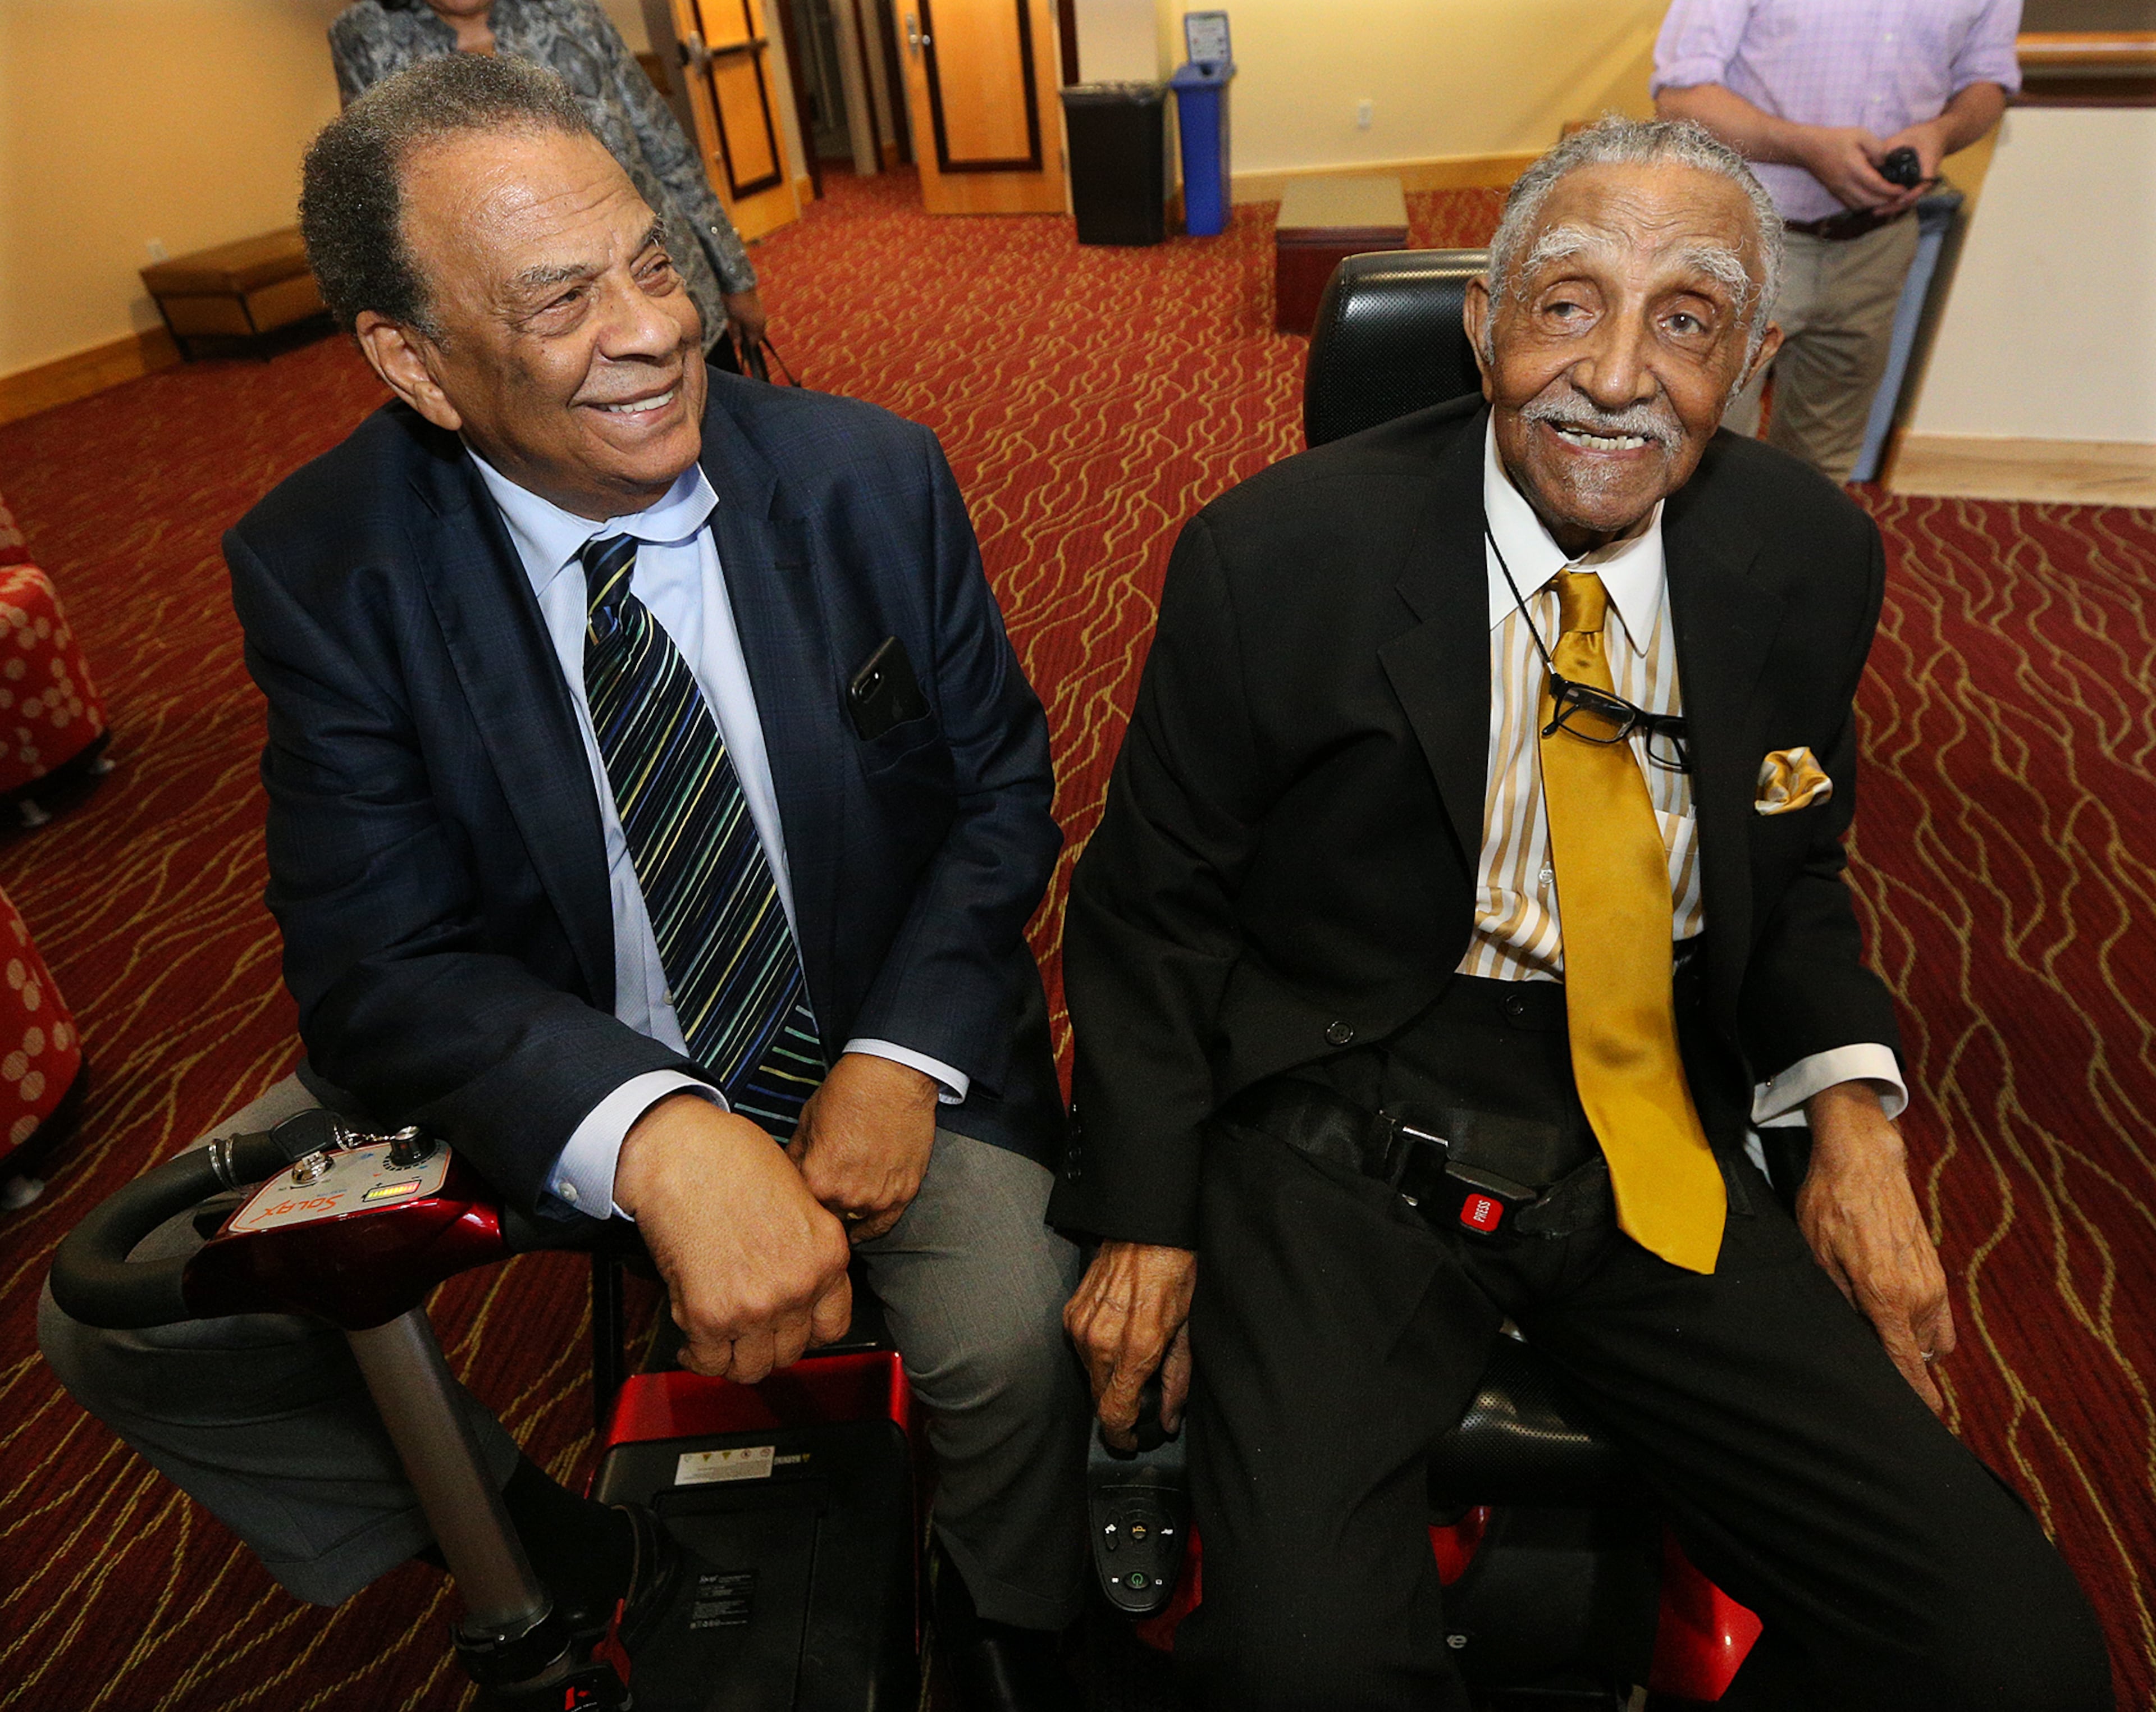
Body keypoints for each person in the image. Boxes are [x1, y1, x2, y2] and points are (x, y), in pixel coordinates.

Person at [40, 54, 1084, 1712]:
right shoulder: (330, 565)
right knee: (125, 1309)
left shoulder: (866, 473)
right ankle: (535, 1538)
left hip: (871, 1021)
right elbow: (377, 958)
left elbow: (993, 799)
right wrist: (656, 1131)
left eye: (653, 261)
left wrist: (899, 1054)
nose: (654, 330)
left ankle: (1015, 1615)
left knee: (1015, 1324)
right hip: (542, 1032)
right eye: (558, 300)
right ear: (412, 361)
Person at [1053, 117, 2112, 1711]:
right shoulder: (1274, 559)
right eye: (1566, 302)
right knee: (1303, 1673)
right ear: (1486, 324)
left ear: (1753, 360)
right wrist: (1144, 1209)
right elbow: (1150, 910)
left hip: (1649, 1126)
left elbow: (1798, 865)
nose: (1616, 375)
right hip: (1347, 1112)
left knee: (2006, 1651)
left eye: (1685, 319)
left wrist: (1854, 1117)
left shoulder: (1807, 555)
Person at [1652, 0, 2021, 482]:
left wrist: (1941, 132)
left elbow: (1987, 81)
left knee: (1821, 470)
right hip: (1741, 242)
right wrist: (1806, 147)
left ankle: (1795, 559)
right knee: (1703, 459)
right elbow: (1681, 98)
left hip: (1878, 247)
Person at [330, 0, 769, 360]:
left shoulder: (572, 12)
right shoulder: (365, 38)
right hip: (532, 336)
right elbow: (385, 209)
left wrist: (735, 277)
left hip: (661, 285)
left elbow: (668, 152)